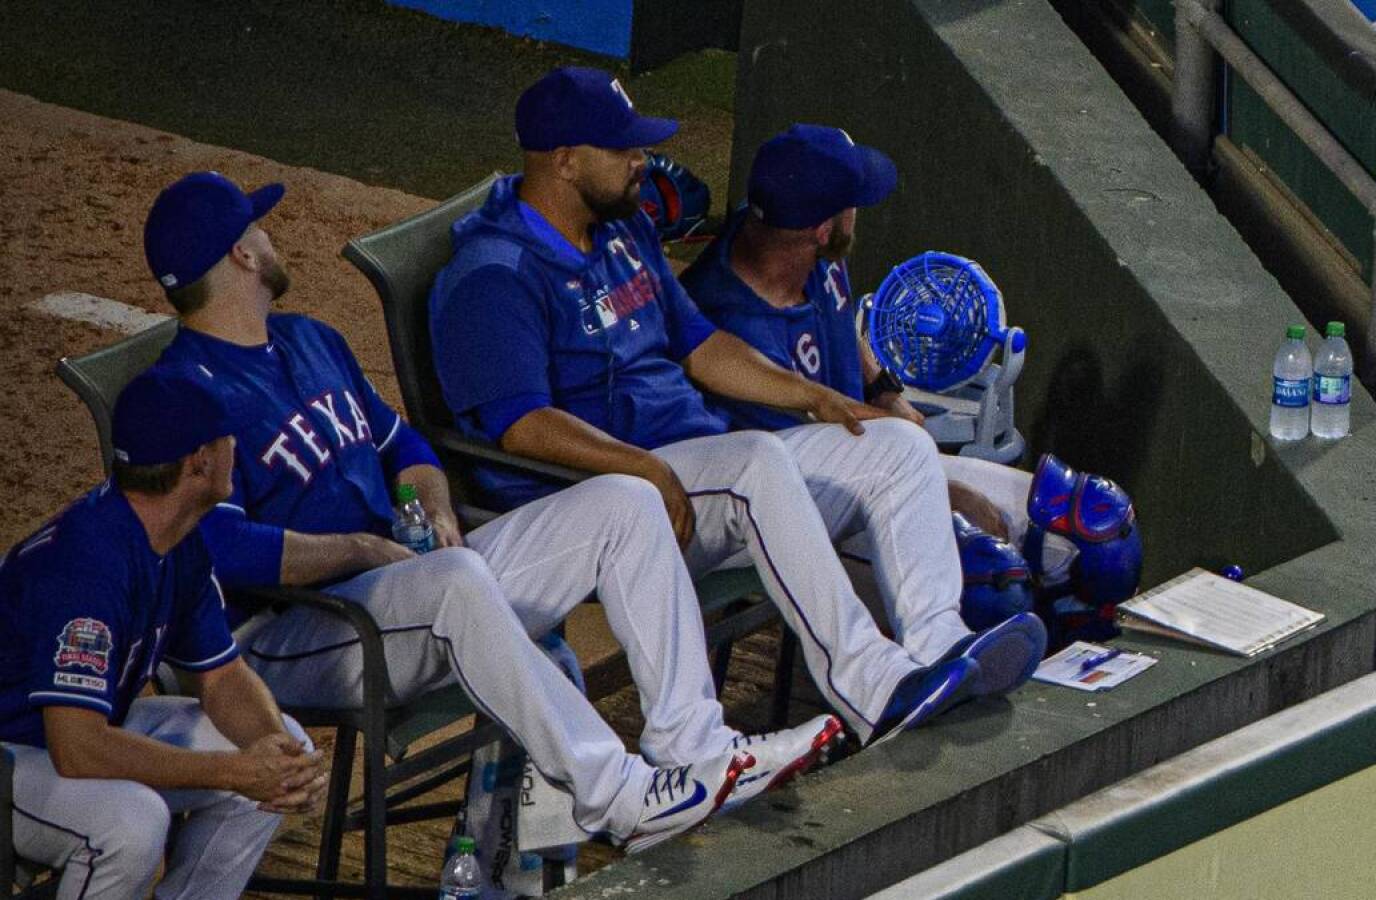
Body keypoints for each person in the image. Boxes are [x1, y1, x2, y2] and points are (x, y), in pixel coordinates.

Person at [144, 171, 837, 853]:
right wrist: (365, 550)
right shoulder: (183, 394)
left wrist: (432, 507)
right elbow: (223, 550)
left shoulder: (308, 338)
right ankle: (615, 792)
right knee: (457, 584)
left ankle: (695, 742)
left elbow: (404, 445)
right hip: (292, 633)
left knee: (625, 500)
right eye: (259, 228)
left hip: (407, 587)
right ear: (241, 253)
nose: (271, 238)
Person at [429, 67, 1047, 747]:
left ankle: (937, 647)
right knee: (754, 459)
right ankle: (872, 686)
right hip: (603, 497)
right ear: (565, 160)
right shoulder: (494, 275)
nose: (643, 161)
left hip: (699, 471)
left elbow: (700, 346)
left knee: (897, 448)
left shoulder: (621, 230)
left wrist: (814, 396)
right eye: (623, 150)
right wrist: (643, 469)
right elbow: (523, 427)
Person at [1, 364, 326, 899]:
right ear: (199, 461)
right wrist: (232, 772)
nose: (235, 449)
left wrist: (273, 756)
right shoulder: (89, 564)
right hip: (12, 753)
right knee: (130, 826)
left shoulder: (177, 536)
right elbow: (77, 749)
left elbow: (222, 678)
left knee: (275, 748)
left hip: (77, 730)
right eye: (227, 439)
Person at [679, 124, 1035, 547]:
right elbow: (820, 457)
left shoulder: (785, 233)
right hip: (808, 503)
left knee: (1064, 511)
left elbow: (841, 315)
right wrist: (941, 487)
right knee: (995, 560)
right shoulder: (734, 330)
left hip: (874, 448)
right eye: (852, 204)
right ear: (824, 229)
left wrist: (883, 388)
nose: (858, 211)